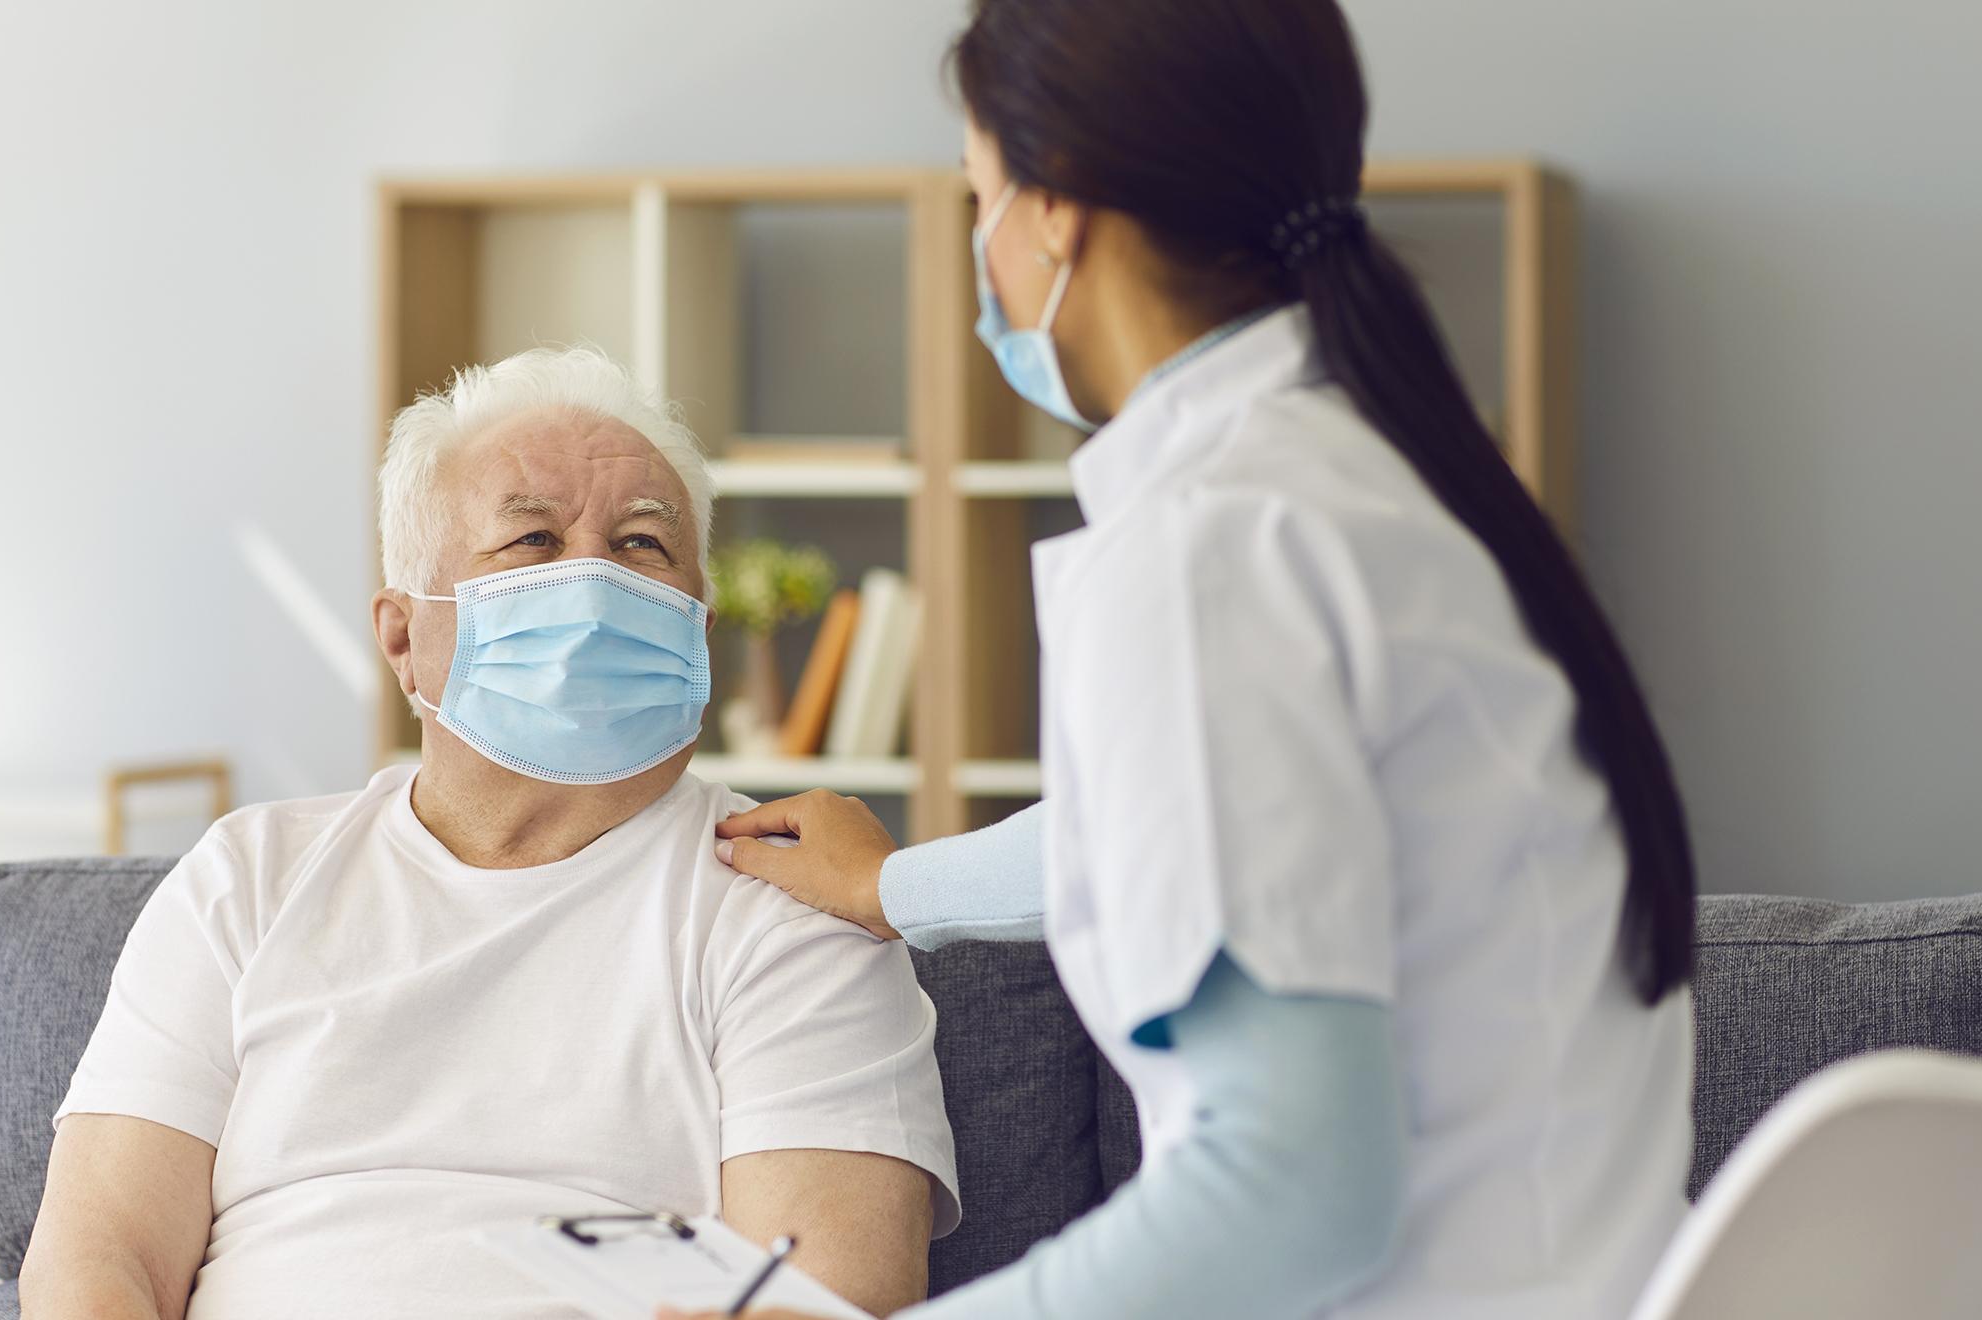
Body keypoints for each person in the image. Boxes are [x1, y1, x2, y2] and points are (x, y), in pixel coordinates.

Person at [673, 1, 1698, 1317]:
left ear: (1058, 212)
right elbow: (1217, 827)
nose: (978, 246)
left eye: (978, 195)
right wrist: (899, 887)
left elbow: (1290, 1197)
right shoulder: (1385, 485)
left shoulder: (1208, 552)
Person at [20, 347, 959, 1320]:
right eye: (533, 542)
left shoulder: (793, 899)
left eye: (643, 545)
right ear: (400, 636)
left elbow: (824, 1296)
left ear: (698, 627)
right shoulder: (246, 877)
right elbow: (98, 1257)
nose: (594, 577)